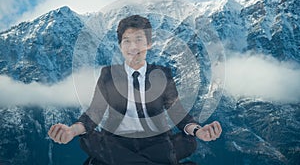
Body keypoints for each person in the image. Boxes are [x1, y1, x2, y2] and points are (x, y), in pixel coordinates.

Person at [48, 15, 222, 165]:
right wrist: (71, 131)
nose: (133, 47)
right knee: (90, 140)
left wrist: (199, 131)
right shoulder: (108, 74)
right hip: (117, 141)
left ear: (149, 44)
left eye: (139, 39)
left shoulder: (162, 74)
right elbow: (94, 113)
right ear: (120, 46)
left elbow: (177, 113)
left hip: (156, 141)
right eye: (127, 41)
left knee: (188, 142)